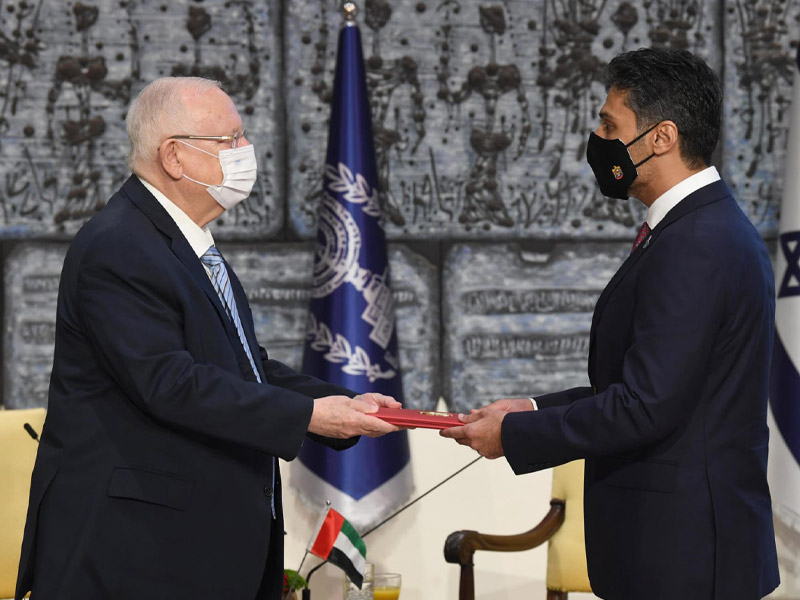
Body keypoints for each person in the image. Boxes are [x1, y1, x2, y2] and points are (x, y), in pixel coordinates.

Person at [15, 77, 401, 600]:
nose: (246, 153)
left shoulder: (179, 242)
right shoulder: (120, 246)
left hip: (192, 547)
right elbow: (170, 383)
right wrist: (309, 416)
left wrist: (343, 406)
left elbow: (243, 365)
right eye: (229, 140)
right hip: (132, 553)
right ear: (174, 156)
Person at [442, 48, 780, 599]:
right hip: (678, 553)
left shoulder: (695, 243)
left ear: (661, 138)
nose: (598, 140)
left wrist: (512, 436)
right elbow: (648, 384)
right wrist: (527, 409)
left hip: (685, 561)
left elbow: (644, 405)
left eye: (609, 124)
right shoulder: (698, 229)